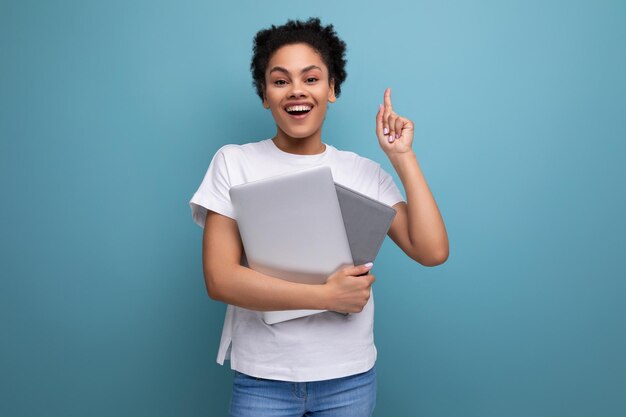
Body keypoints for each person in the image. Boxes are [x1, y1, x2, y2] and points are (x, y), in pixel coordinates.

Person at [190, 17, 448, 417]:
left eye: (311, 79)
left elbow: (431, 251)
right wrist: (325, 296)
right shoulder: (234, 162)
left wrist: (402, 157)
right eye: (280, 81)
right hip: (264, 378)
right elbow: (219, 278)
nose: (296, 91)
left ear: (332, 89)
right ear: (264, 94)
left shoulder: (363, 172)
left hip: (350, 378)